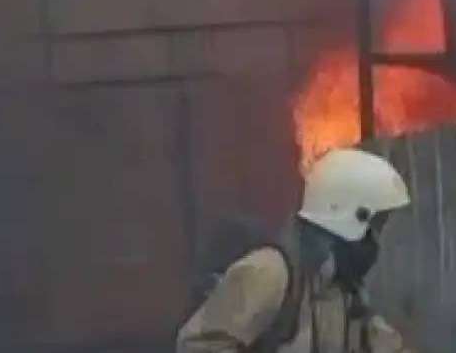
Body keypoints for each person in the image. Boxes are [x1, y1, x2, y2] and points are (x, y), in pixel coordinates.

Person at [176, 148, 416, 352]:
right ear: (346, 218)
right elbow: (199, 346)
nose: (376, 240)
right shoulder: (270, 273)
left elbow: (383, 344)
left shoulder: (343, 289)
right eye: (374, 226)